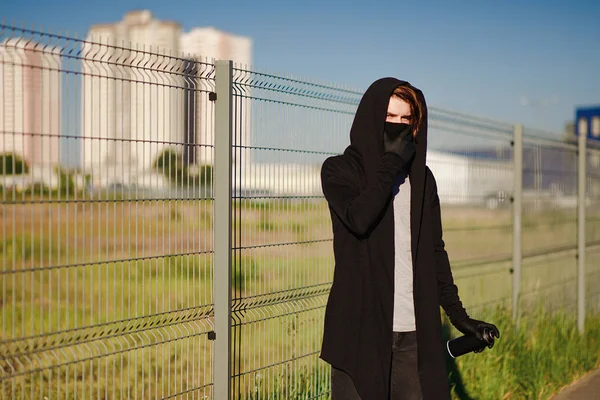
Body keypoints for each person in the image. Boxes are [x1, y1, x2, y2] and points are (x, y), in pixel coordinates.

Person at [319, 77, 500, 400]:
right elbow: (359, 219)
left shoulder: (422, 180)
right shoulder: (340, 170)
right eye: (390, 118)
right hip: (358, 333)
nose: (399, 127)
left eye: (407, 120)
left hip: (414, 334)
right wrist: (390, 164)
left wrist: (460, 318)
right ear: (371, 118)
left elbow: (434, 251)